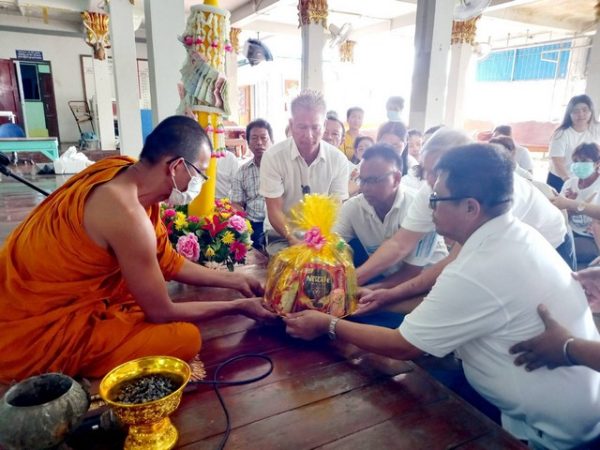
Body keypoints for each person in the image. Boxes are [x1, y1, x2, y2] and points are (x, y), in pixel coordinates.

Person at [284, 144, 600, 449]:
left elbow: (402, 345)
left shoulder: (481, 266)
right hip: (555, 409)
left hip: (552, 435)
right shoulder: (516, 234)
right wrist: (382, 296)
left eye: (437, 199)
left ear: (470, 207)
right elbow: (444, 305)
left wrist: (328, 324)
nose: (430, 206)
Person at [0, 115, 275, 383]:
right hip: (32, 327)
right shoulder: (127, 214)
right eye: (199, 174)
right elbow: (162, 312)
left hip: (34, 292)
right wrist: (237, 306)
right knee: (184, 339)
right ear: (176, 166)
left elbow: (167, 261)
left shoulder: (123, 171)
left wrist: (234, 279)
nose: (199, 185)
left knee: (138, 300)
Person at [357, 128, 572, 310]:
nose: (431, 180)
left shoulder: (497, 188)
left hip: (551, 246)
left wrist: (389, 295)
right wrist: (352, 281)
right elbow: (399, 243)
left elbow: (456, 261)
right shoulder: (435, 188)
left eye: (438, 170)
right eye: (426, 171)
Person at [334, 144, 446, 281]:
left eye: (373, 180)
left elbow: (411, 272)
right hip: (388, 279)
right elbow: (331, 246)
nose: (365, 188)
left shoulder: (418, 206)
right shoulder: (353, 208)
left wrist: (355, 287)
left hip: (430, 282)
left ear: (397, 179)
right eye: (362, 180)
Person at [259, 90, 349, 255]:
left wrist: (318, 240)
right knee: (286, 269)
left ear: (325, 124)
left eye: (315, 127)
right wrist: (292, 238)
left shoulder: (338, 160)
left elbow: (336, 208)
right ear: (291, 124)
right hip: (281, 234)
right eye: (302, 127)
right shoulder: (273, 157)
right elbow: (274, 210)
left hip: (323, 235)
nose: (308, 135)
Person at [230, 118, 273, 252]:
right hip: (253, 224)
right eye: (254, 138)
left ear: (271, 140)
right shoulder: (242, 172)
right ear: (248, 143)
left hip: (275, 223)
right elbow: (236, 203)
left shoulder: (281, 168)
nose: (259, 143)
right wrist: (243, 225)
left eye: (263, 138)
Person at [556, 142, 600, 265]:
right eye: (575, 161)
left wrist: (571, 203)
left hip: (592, 237)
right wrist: (568, 207)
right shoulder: (570, 183)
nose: (578, 164)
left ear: (597, 163)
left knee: (562, 252)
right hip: (570, 230)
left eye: (584, 161)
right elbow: (560, 216)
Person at [547, 94, 600, 192]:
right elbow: (557, 161)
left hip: (588, 179)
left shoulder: (597, 129)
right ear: (569, 114)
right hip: (561, 178)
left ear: (591, 111)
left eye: (585, 110)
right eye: (576, 111)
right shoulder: (561, 134)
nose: (580, 114)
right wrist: (568, 182)